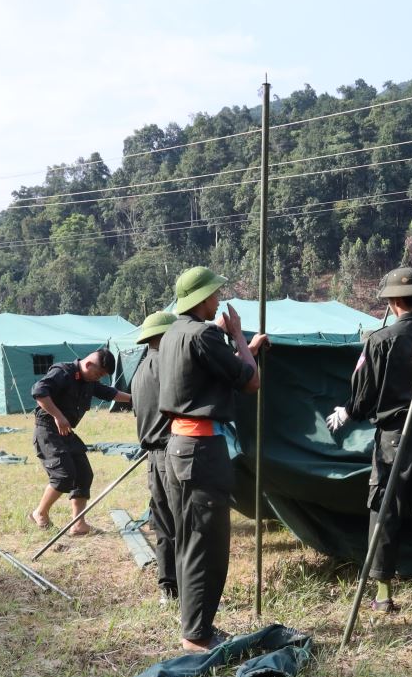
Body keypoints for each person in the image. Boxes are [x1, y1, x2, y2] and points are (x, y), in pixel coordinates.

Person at [327, 266, 412, 615]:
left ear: (391, 301)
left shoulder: (380, 340)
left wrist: (349, 411)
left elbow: (364, 394)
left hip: (391, 438)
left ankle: (384, 594)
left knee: (383, 511)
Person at [158, 266, 270, 652]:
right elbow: (251, 383)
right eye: (214, 294)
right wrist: (238, 334)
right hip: (202, 449)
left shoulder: (174, 333)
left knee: (189, 541)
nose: (219, 300)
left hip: (177, 447)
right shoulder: (206, 334)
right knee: (208, 545)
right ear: (202, 299)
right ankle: (198, 636)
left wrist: (240, 350)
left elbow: (207, 375)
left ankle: (194, 628)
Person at [30, 348, 131, 535]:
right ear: (89, 364)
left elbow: (110, 393)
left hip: (66, 433)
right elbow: (39, 392)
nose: (99, 378)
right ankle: (40, 513)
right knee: (63, 475)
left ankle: (78, 525)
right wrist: (58, 416)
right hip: (48, 430)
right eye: (98, 373)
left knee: (84, 474)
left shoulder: (89, 381)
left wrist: (135, 400)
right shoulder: (63, 372)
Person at [131, 311, 179, 603]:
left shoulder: (140, 372)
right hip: (171, 453)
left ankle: (168, 589)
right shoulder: (168, 364)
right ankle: (189, 591)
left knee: (164, 526)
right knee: (184, 525)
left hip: (153, 457)